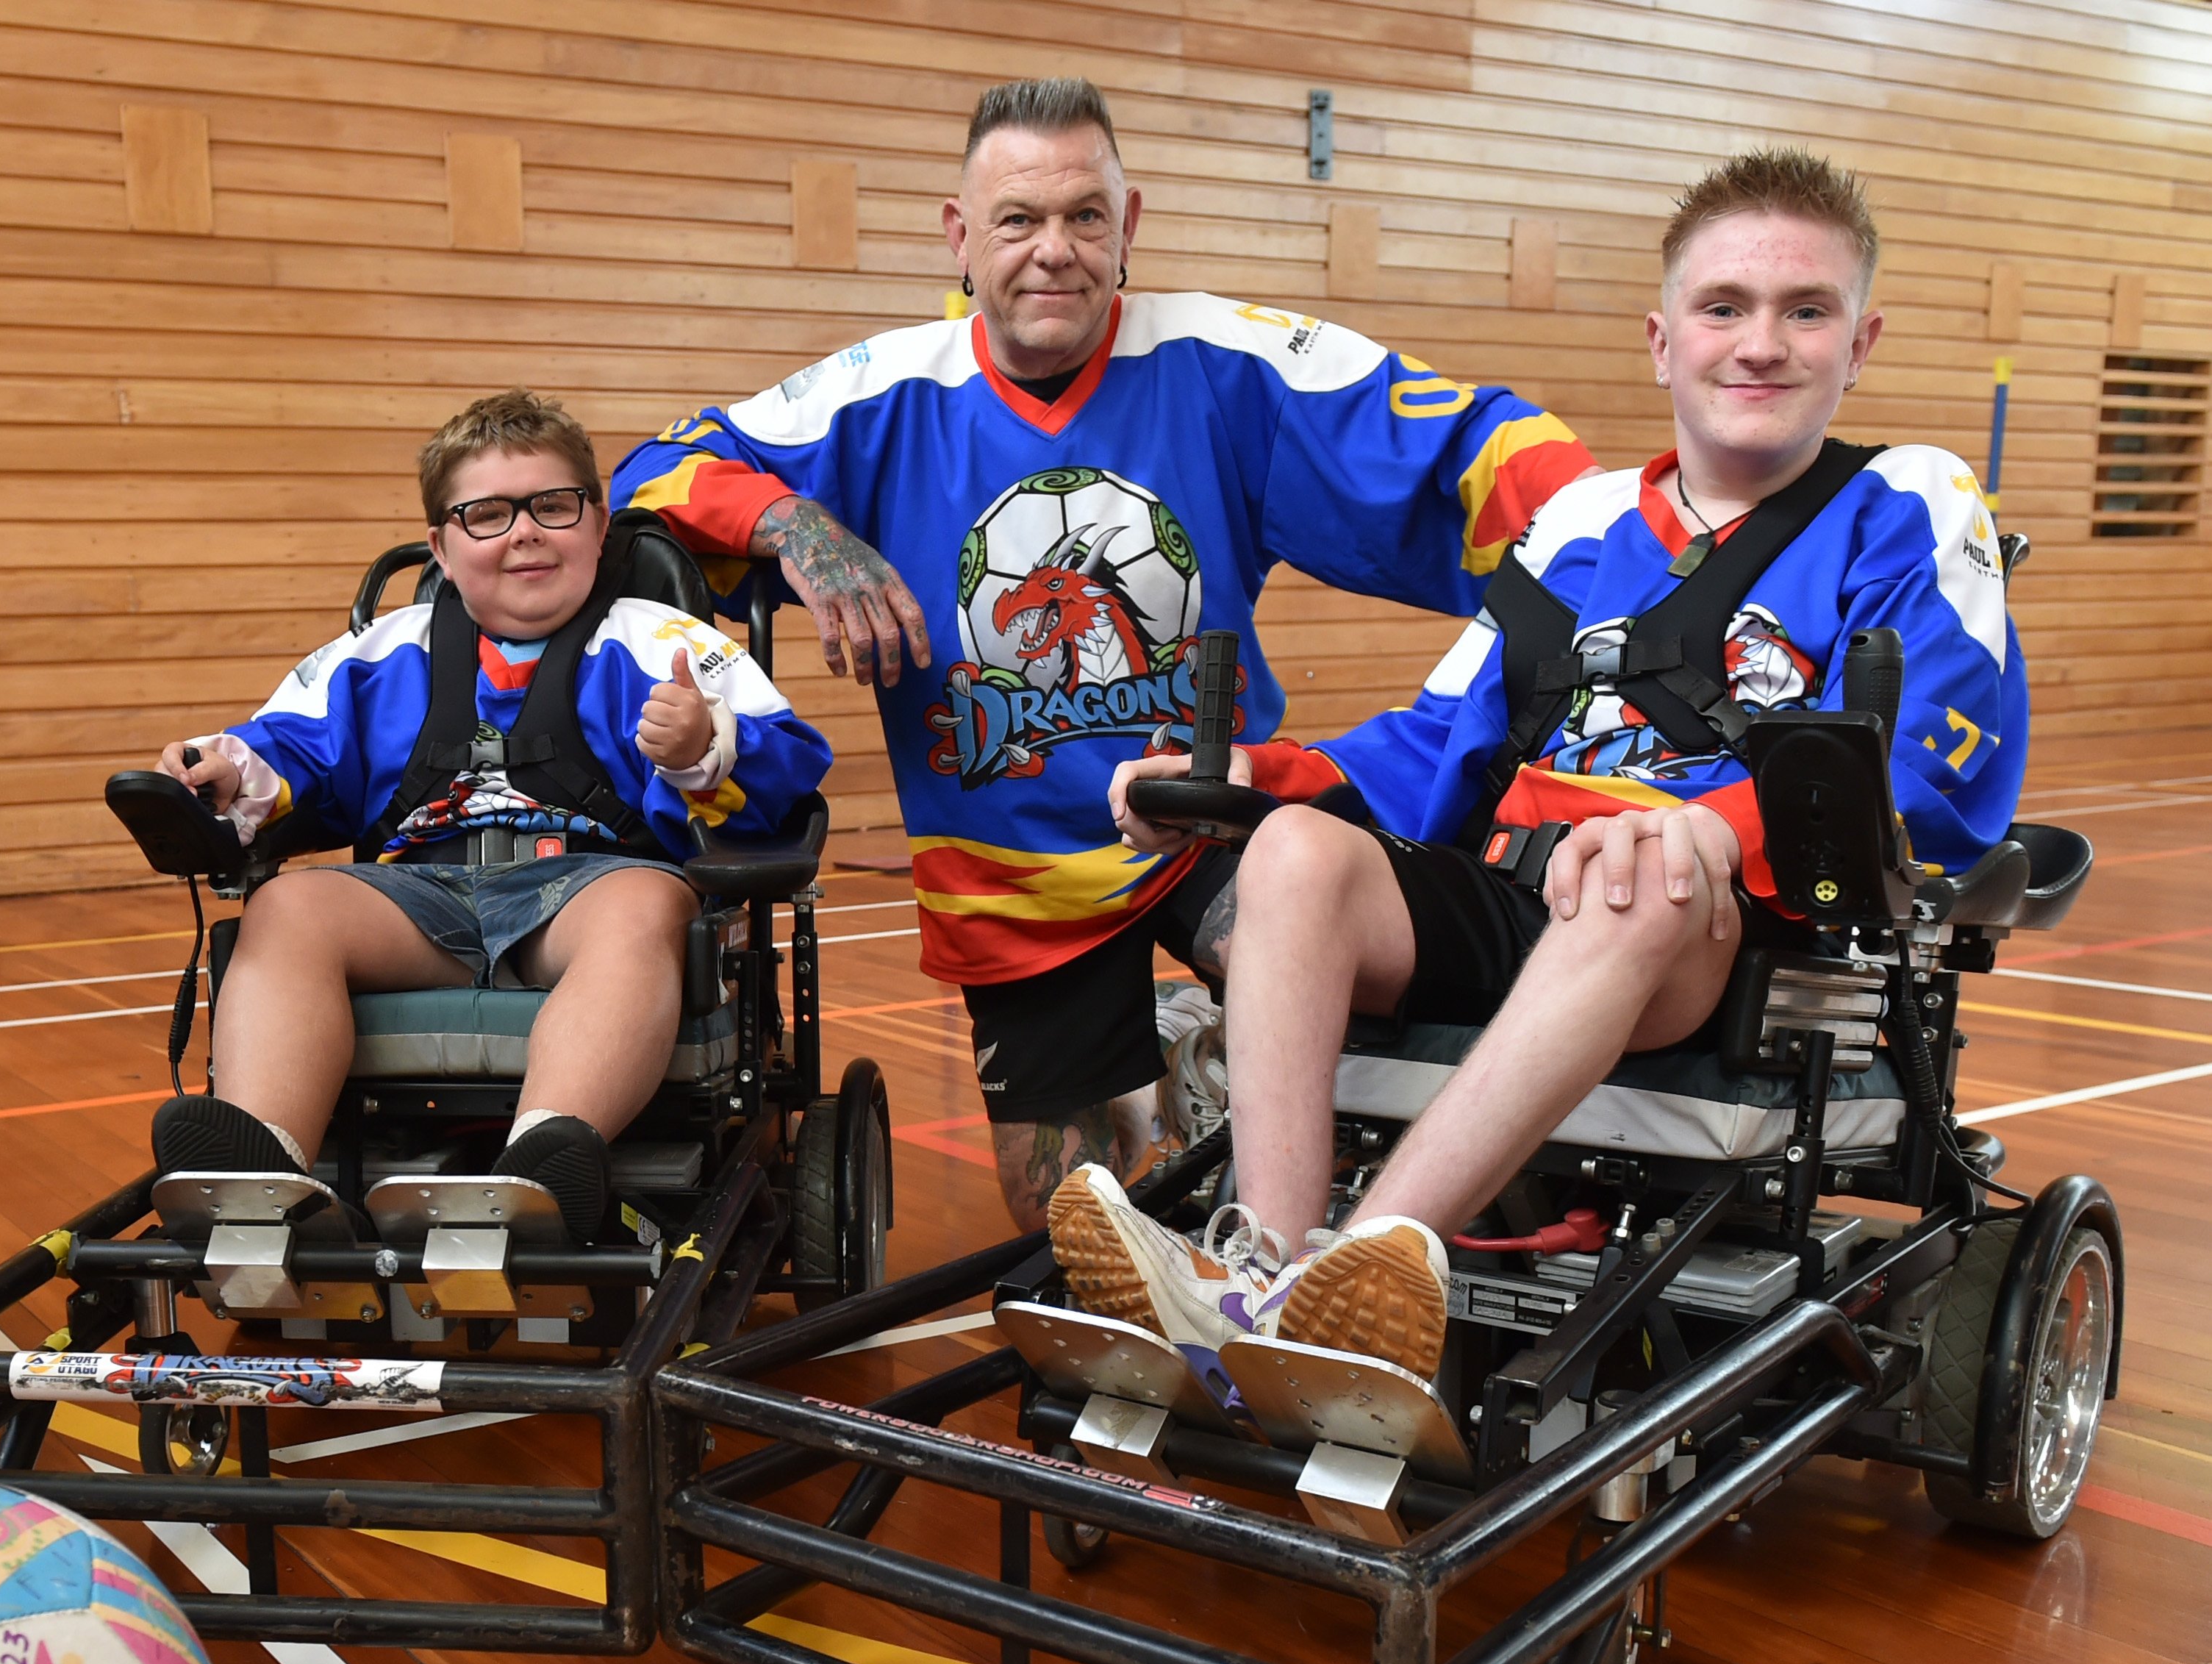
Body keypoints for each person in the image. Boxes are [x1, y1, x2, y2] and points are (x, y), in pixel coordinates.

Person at [1055, 149, 2025, 1381]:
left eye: (1804, 310)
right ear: (1660, 340)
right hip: (1518, 897)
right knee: (1295, 853)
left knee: (1638, 875)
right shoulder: (1578, 521)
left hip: (1715, 941)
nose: (1758, 343)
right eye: (1721, 307)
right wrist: (1259, 774)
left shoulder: (1904, 502)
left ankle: (1356, 1272)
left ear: (1858, 341)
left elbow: (1935, 758)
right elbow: (1432, 744)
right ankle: (1262, 1257)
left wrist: (1710, 830)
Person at [610, 75, 1594, 1229]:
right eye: (1019, 220)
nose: (1055, 252)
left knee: (1380, 981)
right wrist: (798, 526)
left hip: (1208, 811)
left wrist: (1635, 558)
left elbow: (1488, 449)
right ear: (960, 236)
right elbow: (655, 472)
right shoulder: (876, 396)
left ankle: (1266, 1079)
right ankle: (1182, 1073)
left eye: (1086, 216)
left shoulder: (1227, 362)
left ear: (1130, 226)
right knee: (1078, 1232)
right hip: (1016, 871)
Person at [149, 389, 830, 1242]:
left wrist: (702, 743)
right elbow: (289, 748)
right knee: (287, 907)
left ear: (596, 520)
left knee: (645, 906)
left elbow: (791, 765)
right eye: (486, 515)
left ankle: (543, 1163)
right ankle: (266, 1176)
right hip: (420, 899)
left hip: (583, 891)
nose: (524, 533)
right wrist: (221, 770)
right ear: (440, 542)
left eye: (553, 505)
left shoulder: (664, 642)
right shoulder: (381, 654)